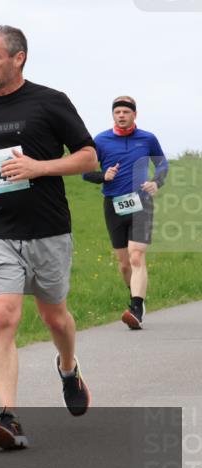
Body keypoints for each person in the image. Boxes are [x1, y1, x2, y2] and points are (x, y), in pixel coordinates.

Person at [0, 25, 97, 450]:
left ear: (19, 58)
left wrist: (39, 167)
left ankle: (68, 367)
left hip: (47, 229)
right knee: (3, 316)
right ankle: (8, 416)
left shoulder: (51, 102)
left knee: (55, 317)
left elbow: (88, 156)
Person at [82, 96, 168, 329]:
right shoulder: (101, 140)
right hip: (114, 205)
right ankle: (134, 297)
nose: (121, 115)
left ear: (134, 115)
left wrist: (156, 182)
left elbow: (162, 164)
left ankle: (137, 308)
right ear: (113, 115)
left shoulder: (147, 139)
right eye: (117, 112)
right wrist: (103, 175)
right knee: (124, 264)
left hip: (142, 202)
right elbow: (85, 171)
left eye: (125, 112)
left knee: (137, 255)